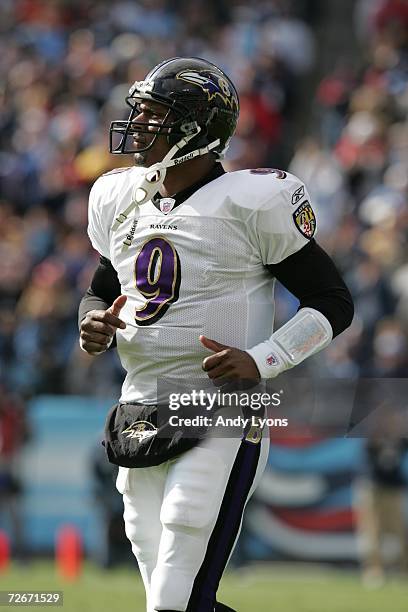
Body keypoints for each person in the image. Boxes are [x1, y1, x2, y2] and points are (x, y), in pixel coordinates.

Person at [78, 57, 354, 612]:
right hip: (139, 406)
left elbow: (332, 301)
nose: (138, 126)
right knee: (170, 591)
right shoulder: (120, 197)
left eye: (155, 115)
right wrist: (92, 321)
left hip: (218, 409)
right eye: (141, 112)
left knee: (175, 588)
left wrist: (263, 358)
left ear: (197, 129)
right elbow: (101, 285)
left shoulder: (252, 202)